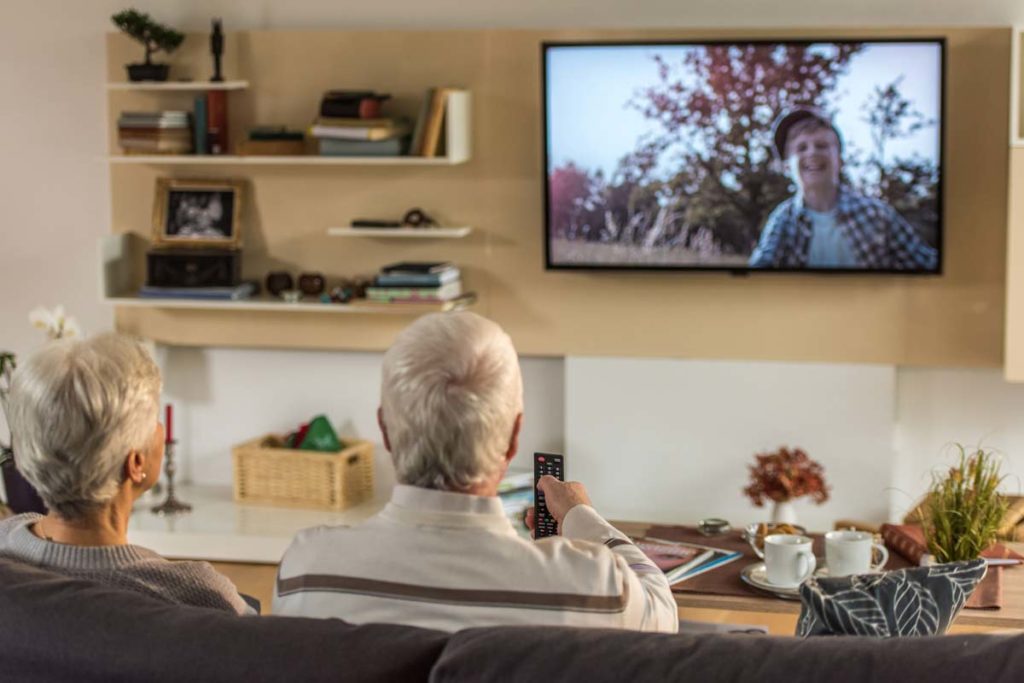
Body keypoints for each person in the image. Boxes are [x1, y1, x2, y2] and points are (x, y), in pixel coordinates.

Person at [274, 312, 678, 633]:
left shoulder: (306, 569)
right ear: (514, 436)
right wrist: (580, 515)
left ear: (385, 430)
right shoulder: (592, 585)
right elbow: (661, 607)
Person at [0, 333, 253, 614]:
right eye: (155, 420)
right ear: (135, 463)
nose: (161, 429)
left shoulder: (5, 545)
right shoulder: (196, 594)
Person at [749, 107, 938, 270]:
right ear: (787, 166)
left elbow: (927, 264)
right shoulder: (782, 220)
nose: (812, 152)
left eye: (822, 145)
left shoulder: (877, 214)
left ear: (840, 160)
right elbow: (757, 275)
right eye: (801, 148)